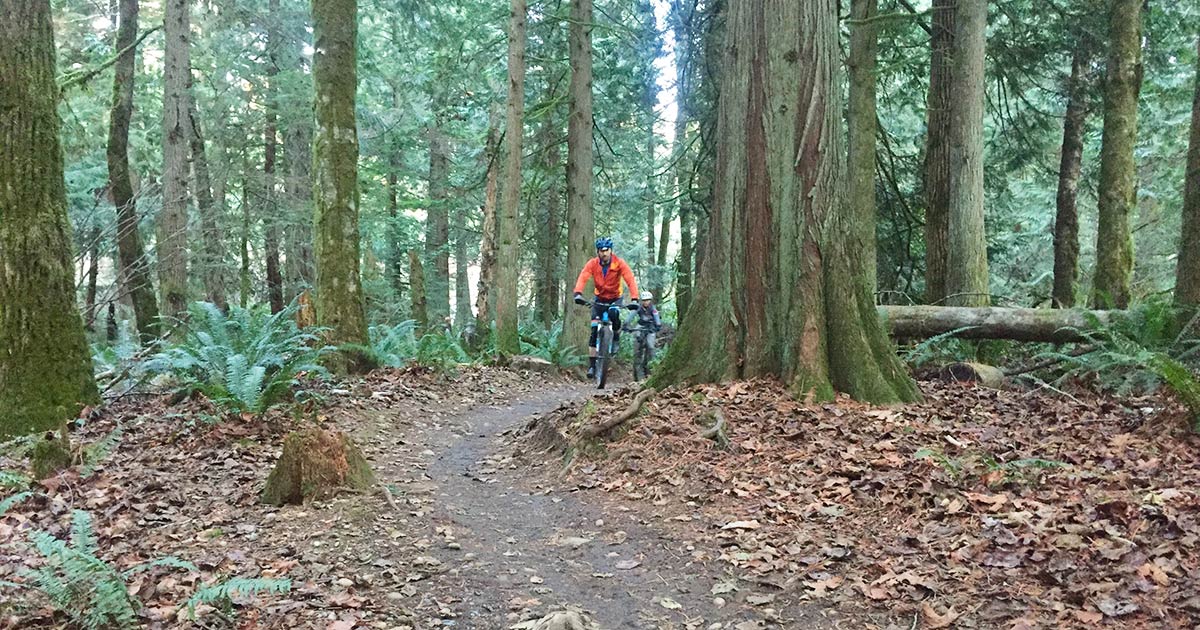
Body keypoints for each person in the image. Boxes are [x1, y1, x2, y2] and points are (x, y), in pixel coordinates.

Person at [573, 237, 640, 378]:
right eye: (601, 251)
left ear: (610, 250)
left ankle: (615, 336)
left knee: (614, 313)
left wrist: (634, 298)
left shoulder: (619, 263)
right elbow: (583, 276)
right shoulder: (593, 264)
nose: (604, 253)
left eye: (606, 250)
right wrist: (578, 293)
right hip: (599, 298)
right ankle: (592, 366)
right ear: (597, 252)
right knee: (593, 330)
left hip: (616, 297)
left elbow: (630, 279)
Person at [628, 291, 662, 374]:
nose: (646, 302)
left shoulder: (653, 308)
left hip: (650, 327)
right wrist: (626, 324)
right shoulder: (639, 307)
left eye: (647, 300)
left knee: (650, 346)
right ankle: (636, 370)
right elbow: (631, 316)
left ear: (650, 300)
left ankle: (650, 366)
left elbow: (656, 317)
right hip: (641, 325)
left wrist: (658, 325)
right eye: (644, 300)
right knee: (637, 343)